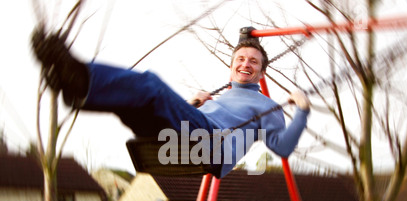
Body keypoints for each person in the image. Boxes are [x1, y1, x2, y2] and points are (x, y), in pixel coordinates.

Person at [31, 29, 311, 179]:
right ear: (231, 66)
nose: (245, 64)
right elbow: (184, 116)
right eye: (240, 59)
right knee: (134, 102)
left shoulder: (266, 106)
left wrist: (302, 110)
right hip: (181, 137)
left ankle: (81, 78)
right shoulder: (220, 97)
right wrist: (193, 104)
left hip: (211, 143)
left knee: (151, 85)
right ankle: (73, 87)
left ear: (262, 73)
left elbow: (283, 147)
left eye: (253, 61)